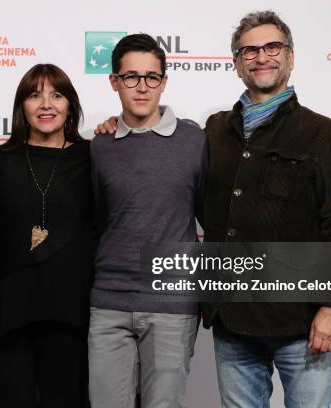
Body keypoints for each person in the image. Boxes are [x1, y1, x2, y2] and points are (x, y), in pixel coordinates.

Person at [202, 11, 331, 408]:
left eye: (272, 47)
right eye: (249, 50)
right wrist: (118, 127)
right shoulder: (215, 131)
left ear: (290, 57)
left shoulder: (324, 134)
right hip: (233, 319)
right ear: (237, 63)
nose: (262, 57)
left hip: (300, 322)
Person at [88, 34, 207, 408]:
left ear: (164, 82)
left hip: (172, 302)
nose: (142, 87)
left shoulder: (196, 140)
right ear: (114, 81)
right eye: (131, 77)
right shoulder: (99, 145)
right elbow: (93, 220)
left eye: (152, 77)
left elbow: (213, 214)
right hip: (108, 301)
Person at [0, 63, 93, 408]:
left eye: (56, 94)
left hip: (69, 314)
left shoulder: (93, 156)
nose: (46, 104)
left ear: (70, 105)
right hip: (7, 315)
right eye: (34, 95)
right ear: (21, 106)